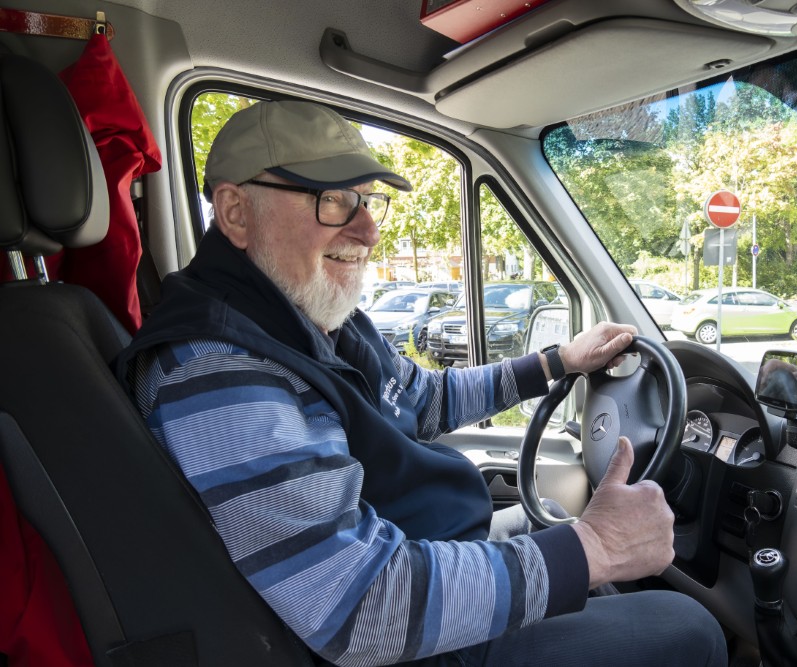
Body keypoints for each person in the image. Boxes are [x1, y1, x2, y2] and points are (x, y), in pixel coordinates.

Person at [116, 100, 726, 666]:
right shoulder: (219, 371)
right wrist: (597, 549)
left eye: (365, 201)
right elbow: (358, 607)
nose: (367, 231)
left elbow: (418, 398)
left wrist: (555, 363)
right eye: (332, 201)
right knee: (688, 626)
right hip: (411, 642)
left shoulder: (307, 316)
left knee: (562, 529)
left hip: (424, 557)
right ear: (235, 213)